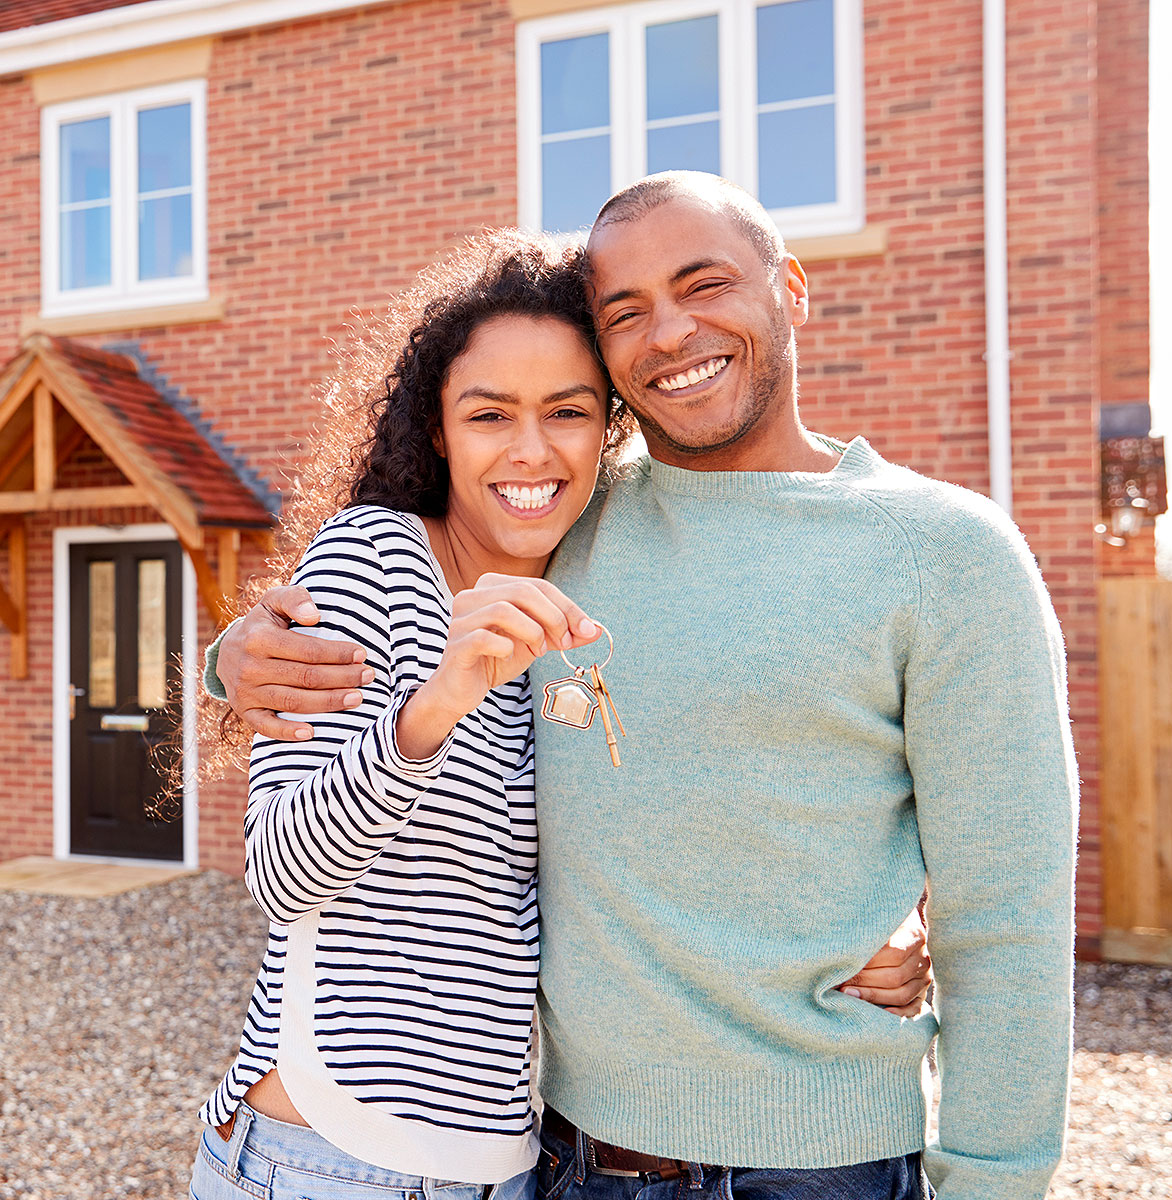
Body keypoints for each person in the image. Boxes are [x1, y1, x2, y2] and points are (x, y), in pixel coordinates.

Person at [213, 173, 1077, 1200]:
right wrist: (229, 655)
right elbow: (394, 590)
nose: (669, 333)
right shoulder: (565, 520)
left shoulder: (945, 552)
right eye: (625, 312)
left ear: (791, 289)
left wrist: (988, 1175)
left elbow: (1009, 915)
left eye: (704, 283)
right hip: (572, 1160)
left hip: (821, 1166)